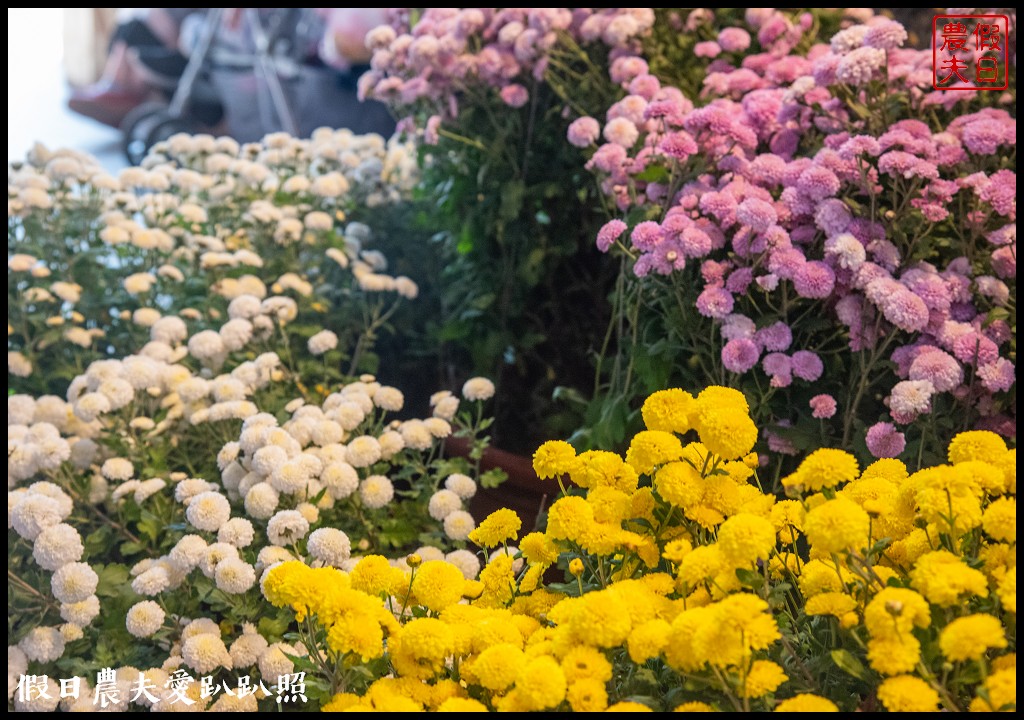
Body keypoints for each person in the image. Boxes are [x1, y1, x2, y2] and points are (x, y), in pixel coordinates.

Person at [68, 9, 196, 128]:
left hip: (186, 59)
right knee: (128, 27)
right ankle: (118, 92)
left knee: (134, 29)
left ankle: (118, 92)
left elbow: (180, 38)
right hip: (177, 50)